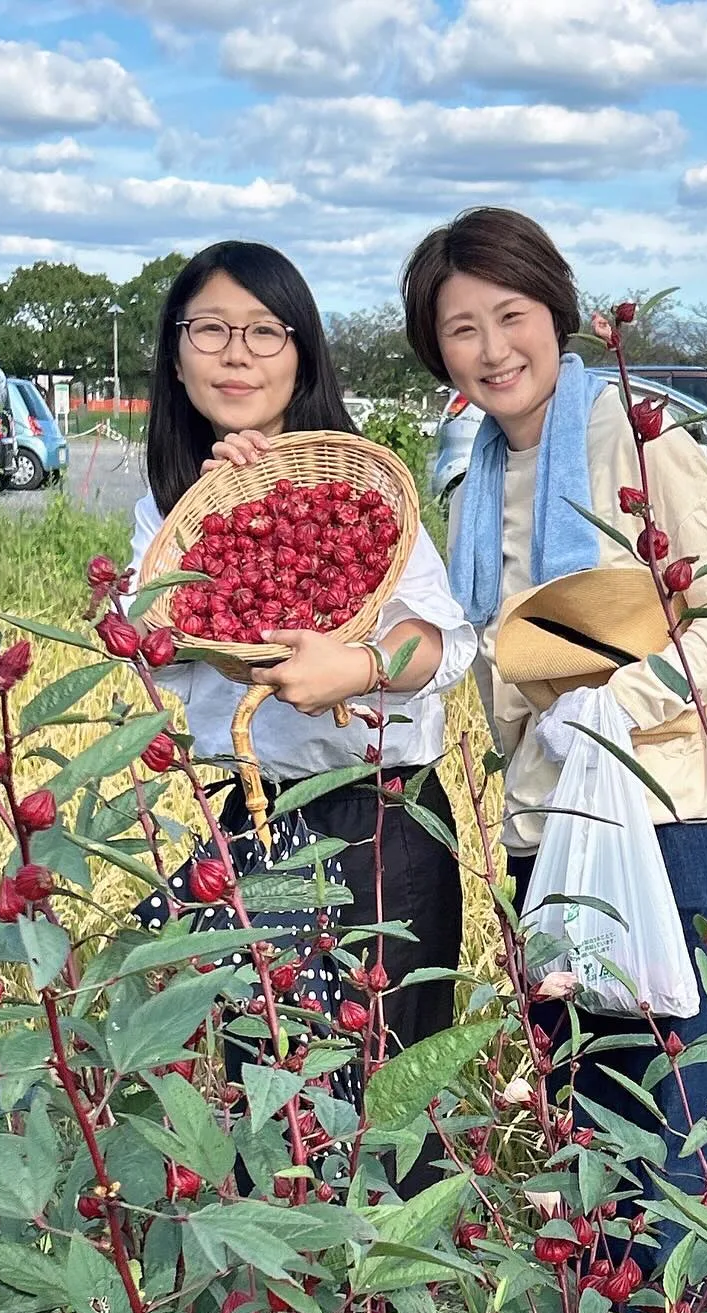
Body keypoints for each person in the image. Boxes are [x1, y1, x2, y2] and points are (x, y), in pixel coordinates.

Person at [401, 208, 707, 1313]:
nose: (489, 347)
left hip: (674, 824)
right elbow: (483, 643)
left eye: (509, 315)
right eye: (459, 328)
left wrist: (622, 703)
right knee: (597, 1104)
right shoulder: (471, 469)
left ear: (555, 313)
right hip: (548, 829)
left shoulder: (638, 434)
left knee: (690, 1104)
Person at [128, 239, 476, 1071]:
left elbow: (442, 644)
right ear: (176, 360)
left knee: (388, 1092)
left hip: (381, 825)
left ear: (302, 355)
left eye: (264, 331)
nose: (236, 354)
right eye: (209, 330)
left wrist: (358, 669)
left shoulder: (353, 494)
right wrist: (216, 524)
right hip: (254, 817)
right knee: (272, 1089)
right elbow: (151, 646)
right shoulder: (168, 506)